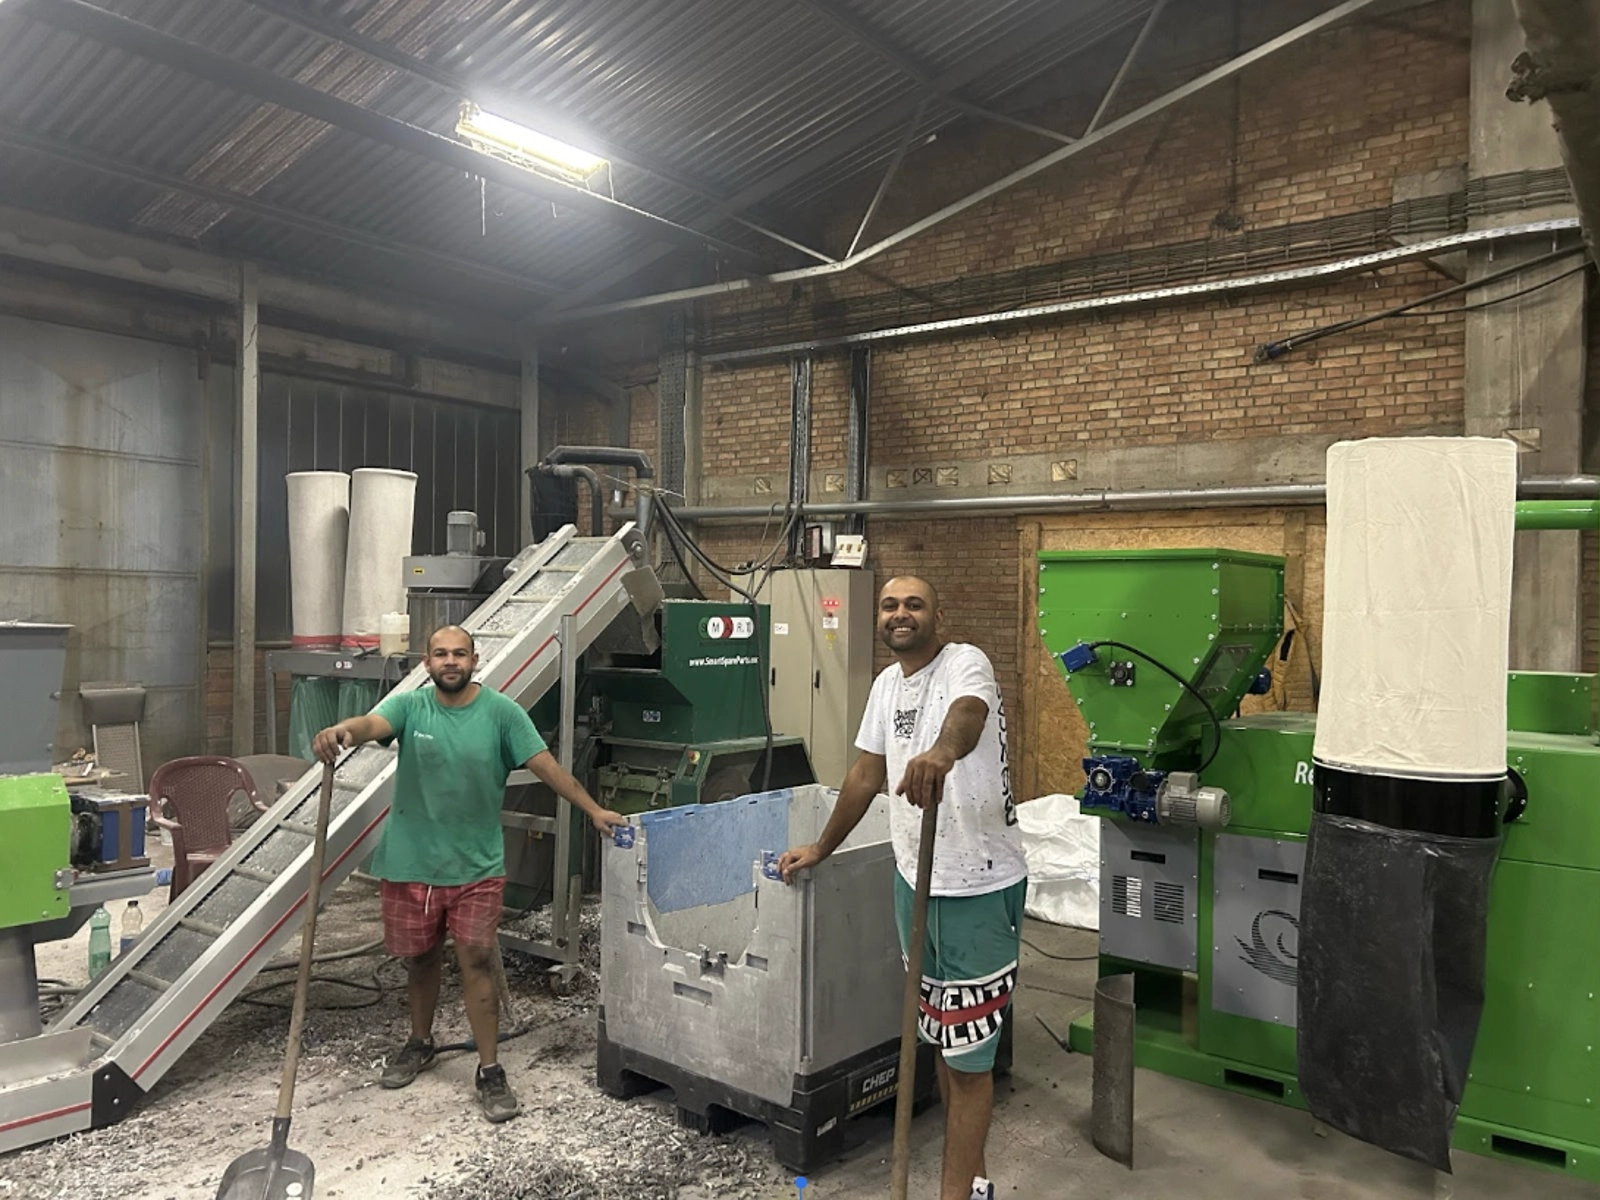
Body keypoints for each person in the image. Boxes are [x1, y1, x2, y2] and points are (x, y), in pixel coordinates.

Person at [313, 624, 627, 1123]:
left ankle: (490, 1069)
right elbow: (371, 724)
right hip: (412, 860)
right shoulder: (412, 707)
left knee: (477, 961)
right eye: (441, 654)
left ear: (475, 660)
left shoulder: (502, 714)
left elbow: (546, 766)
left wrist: (593, 809)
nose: (451, 661)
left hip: (476, 866)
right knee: (418, 960)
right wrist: (342, 732)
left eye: (460, 653)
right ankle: (420, 1042)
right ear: (427, 662)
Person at [778, 577, 1027, 1200]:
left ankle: (956, 1194)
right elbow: (866, 773)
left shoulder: (965, 663)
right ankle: (975, 1183)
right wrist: (821, 846)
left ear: (937, 614)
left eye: (913, 604)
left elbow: (968, 716)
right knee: (945, 1045)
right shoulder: (886, 687)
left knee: (970, 1061)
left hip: (976, 887)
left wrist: (943, 752)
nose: (899, 614)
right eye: (889, 605)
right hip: (914, 881)